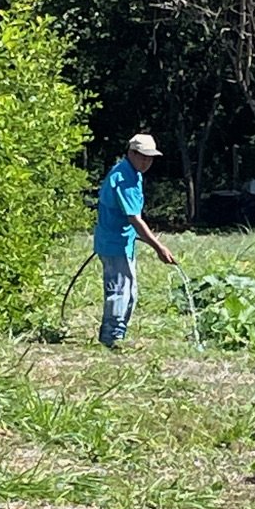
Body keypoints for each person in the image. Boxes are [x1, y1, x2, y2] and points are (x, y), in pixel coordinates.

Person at [94, 133, 178, 348]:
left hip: (122, 242)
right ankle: (111, 339)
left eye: (150, 158)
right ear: (131, 153)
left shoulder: (132, 174)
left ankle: (116, 336)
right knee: (119, 291)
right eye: (142, 156)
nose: (147, 162)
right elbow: (135, 219)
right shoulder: (124, 179)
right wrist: (159, 247)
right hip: (114, 244)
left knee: (129, 291)